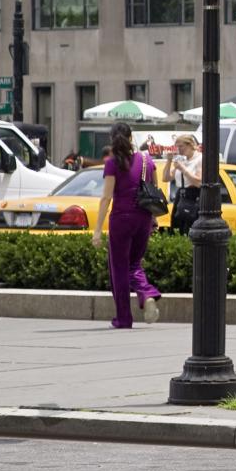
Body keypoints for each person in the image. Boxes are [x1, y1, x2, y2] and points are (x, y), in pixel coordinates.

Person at [90, 125, 161, 330]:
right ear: (131, 137)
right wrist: (154, 218)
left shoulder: (112, 163)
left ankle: (124, 318)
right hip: (144, 218)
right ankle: (146, 293)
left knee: (119, 269)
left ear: (112, 139)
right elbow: (153, 190)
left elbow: (106, 197)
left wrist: (97, 230)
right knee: (135, 264)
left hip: (121, 219)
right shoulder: (147, 160)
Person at [162, 134, 204, 237]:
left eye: (181, 146)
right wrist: (169, 161)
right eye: (177, 147)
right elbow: (166, 178)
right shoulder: (182, 160)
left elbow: (199, 183)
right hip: (180, 195)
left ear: (190, 145)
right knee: (177, 227)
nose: (179, 150)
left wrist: (183, 169)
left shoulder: (199, 159)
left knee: (189, 226)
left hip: (193, 195)